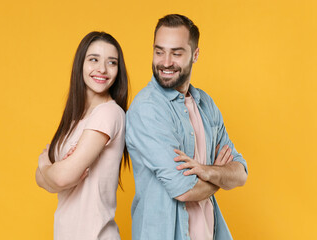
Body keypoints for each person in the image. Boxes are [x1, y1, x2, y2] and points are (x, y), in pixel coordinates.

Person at [126, 14, 248, 240]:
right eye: (159, 51)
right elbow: (184, 189)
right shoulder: (147, 109)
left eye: (176, 53)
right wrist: (219, 178)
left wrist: (208, 171)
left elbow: (240, 172)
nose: (165, 62)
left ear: (195, 55)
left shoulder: (205, 104)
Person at [35, 31, 129, 240]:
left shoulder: (109, 113)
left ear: (118, 70)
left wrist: (45, 166)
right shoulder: (75, 120)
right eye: (93, 59)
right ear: (81, 64)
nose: (102, 69)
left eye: (111, 62)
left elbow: (59, 177)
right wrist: (55, 175)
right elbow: (43, 180)